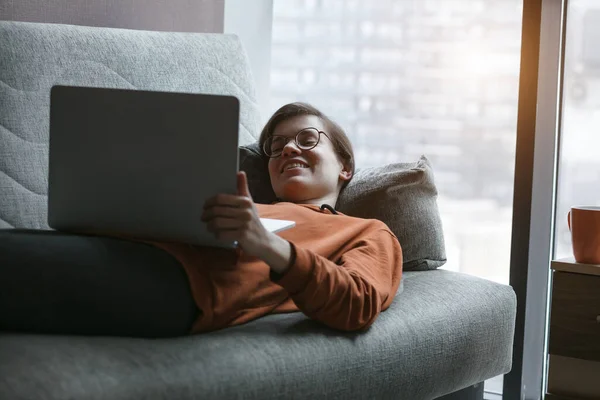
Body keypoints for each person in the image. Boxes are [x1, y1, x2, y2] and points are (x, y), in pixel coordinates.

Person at [0, 102, 403, 338]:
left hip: (178, 285)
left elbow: (358, 303)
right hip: (114, 245)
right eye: (276, 146)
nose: (288, 150)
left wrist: (266, 244)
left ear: (345, 166)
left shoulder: (365, 231)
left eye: (308, 139)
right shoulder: (239, 202)